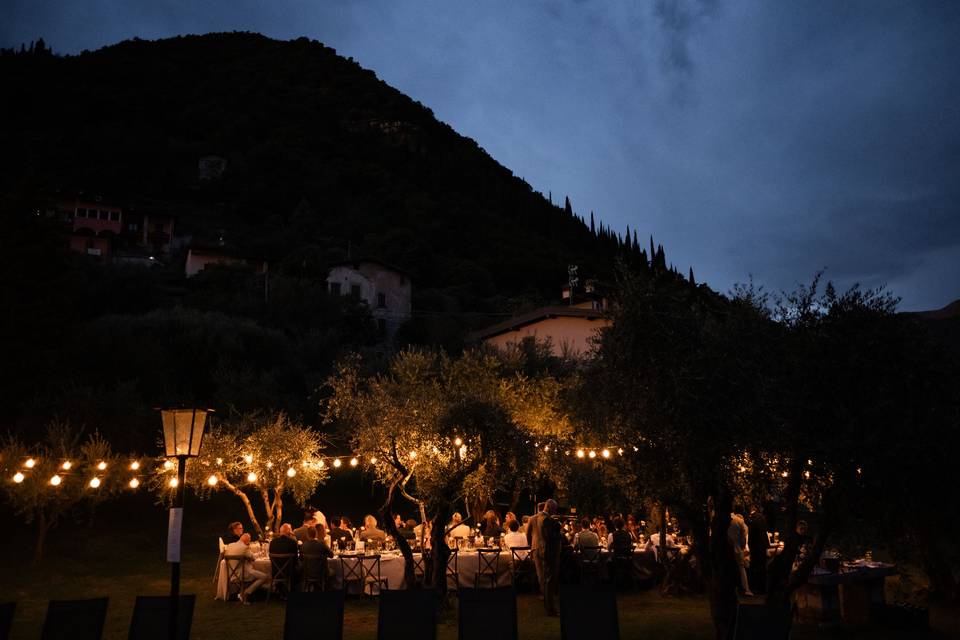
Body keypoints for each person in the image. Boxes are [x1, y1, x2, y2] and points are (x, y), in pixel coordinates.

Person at [527, 499, 561, 616]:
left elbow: (528, 535)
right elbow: (549, 536)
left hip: (536, 548)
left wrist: (531, 547)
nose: (555, 511)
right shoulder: (546, 519)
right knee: (548, 577)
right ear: (550, 508)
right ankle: (549, 604)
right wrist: (559, 534)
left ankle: (546, 599)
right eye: (554, 509)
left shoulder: (534, 518)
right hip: (545, 550)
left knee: (542, 576)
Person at [224, 533, 269, 603]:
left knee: (256, 573)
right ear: (247, 541)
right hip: (243, 574)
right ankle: (245, 593)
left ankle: (244, 593)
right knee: (264, 576)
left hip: (231, 574)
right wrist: (259, 554)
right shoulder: (244, 547)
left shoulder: (230, 545)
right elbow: (253, 558)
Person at [728, 506, 753, 596]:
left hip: (727, 548)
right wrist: (741, 546)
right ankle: (746, 588)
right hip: (738, 548)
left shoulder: (725, 519)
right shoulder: (741, 522)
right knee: (741, 568)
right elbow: (744, 539)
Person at [747, 508, 769, 594]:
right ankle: (762, 588)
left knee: (754, 568)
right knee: (762, 568)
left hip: (756, 548)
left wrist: (750, 546)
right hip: (762, 547)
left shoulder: (753, 521)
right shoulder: (762, 518)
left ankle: (754, 587)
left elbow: (751, 536)